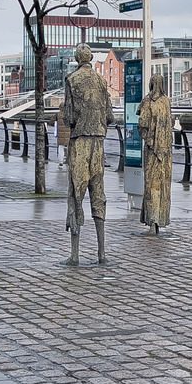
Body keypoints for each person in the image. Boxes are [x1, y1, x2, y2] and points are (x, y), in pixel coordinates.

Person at [62, 45, 113, 264]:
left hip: (80, 142)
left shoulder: (71, 80)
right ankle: (101, 253)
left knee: (76, 194)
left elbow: (69, 116)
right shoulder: (102, 81)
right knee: (98, 194)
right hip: (98, 143)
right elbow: (110, 115)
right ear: (91, 58)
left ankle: (75, 255)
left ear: (76, 59)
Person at [137, 73, 173, 233]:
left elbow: (142, 124)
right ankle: (160, 219)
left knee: (151, 184)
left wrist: (148, 138)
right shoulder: (167, 101)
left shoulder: (147, 101)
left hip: (152, 151)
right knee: (163, 184)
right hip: (166, 152)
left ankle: (152, 220)